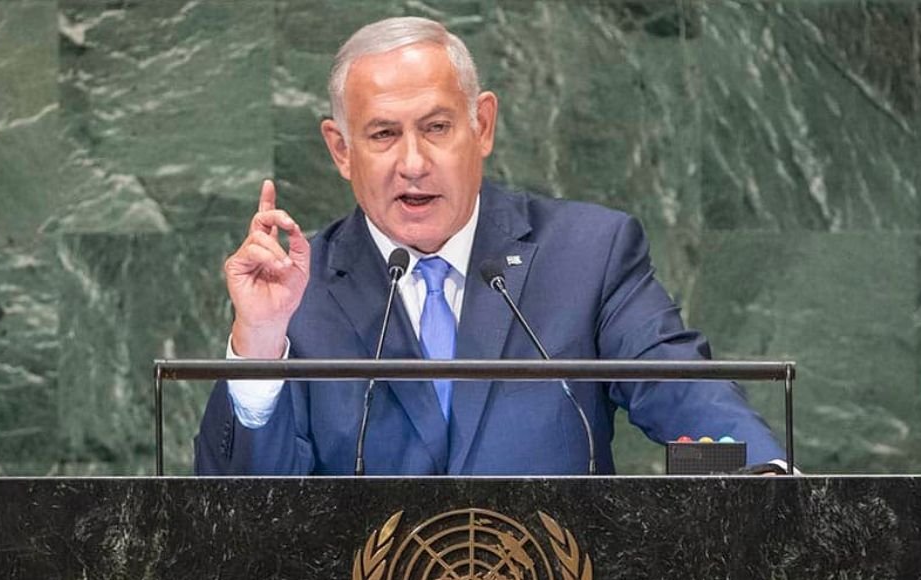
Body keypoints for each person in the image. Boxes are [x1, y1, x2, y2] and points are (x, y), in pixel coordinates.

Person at [194, 17, 785, 476]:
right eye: (383, 134)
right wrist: (259, 346)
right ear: (341, 149)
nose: (413, 163)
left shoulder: (587, 254)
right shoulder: (296, 290)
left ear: (482, 126)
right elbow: (236, 509)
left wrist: (763, 479)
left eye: (436, 127)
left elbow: (683, 392)